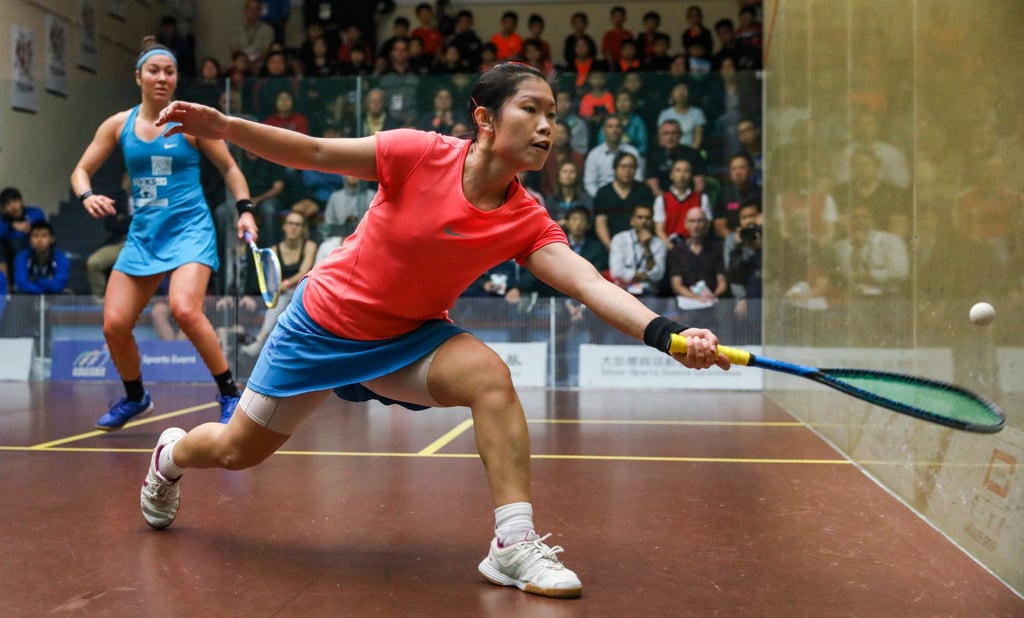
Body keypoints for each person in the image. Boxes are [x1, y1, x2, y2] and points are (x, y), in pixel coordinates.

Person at [144, 62, 729, 599]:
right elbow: (315, 150)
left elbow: (590, 285)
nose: (548, 126)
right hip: (321, 328)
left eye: (554, 115)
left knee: (489, 377)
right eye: (532, 109)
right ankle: (169, 456)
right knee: (234, 452)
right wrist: (225, 125)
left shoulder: (526, 219)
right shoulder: (418, 154)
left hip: (408, 338)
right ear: (484, 118)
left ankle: (512, 544)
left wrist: (671, 335)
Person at [69, 38, 255, 431]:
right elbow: (80, 171)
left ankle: (229, 393)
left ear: (175, 78)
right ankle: (136, 397)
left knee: (185, 309)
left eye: (169, 71)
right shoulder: (118, 125)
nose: (162, 78)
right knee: (114, 325)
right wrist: (87, 195)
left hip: (190, 231)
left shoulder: (191, 123)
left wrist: (245, 212)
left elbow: (231, 170)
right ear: (138, 76)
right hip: (144, 236)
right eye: (154, 70)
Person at [241, 210, 318, 356]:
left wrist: (287, 284)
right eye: (290, 223)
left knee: (288, 296)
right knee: (280, 300)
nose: (293, 227)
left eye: (298, 224)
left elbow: (304, 271)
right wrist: (278, 287)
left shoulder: (310, 246)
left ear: (303, 229)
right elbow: (271, 279)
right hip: (281, 296)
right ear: (283, 227)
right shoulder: (273, 250)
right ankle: (264, 341)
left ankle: (260, 340)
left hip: (304, 292)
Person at [608, 204, 665, 297]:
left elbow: (658, 274)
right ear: (632, 221)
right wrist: (644, 276)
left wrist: (647, 248)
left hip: (647, 291)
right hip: (623, 289)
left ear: (652, 222)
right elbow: (616, 272)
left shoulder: (659, 244)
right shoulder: (620, 239)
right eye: (640, 217)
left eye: (648, 218)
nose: (644, 221)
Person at [12, 221, 71, 294]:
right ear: (30, 239)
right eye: (35, 236)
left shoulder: (61, 258)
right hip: (29, 297)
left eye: (44, 236)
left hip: (53, 297)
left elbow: (58, 285)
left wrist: (34, 280)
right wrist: (42, 291)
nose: (39, 240)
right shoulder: (22, 257)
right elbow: (21, 283)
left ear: (52, 239)